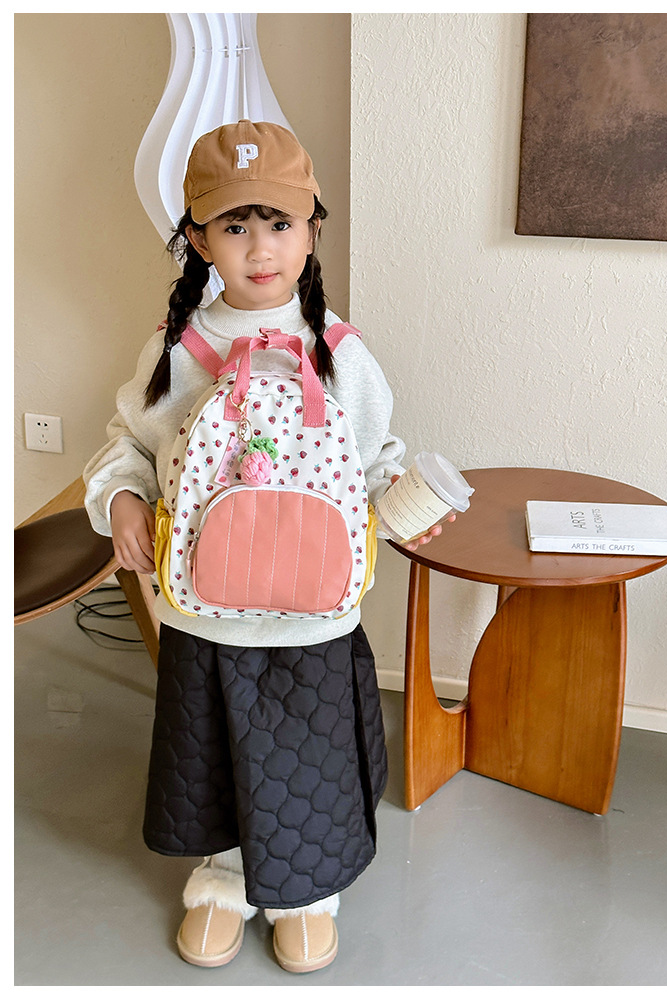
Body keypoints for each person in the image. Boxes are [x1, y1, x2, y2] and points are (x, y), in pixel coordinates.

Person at [83, 120, 446, 974]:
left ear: (312, 229)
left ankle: (306, 894)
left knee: (306, 751)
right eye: (235, 225)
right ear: (198, 237)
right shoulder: (179, 348)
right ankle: (223, 876)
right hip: (204, 610)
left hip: (313, 613)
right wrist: (123, 498)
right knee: (214, 744)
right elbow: (127, 445)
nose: (259, 247)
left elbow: (375, 459)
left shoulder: (341, 352)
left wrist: (405, 504)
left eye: (279, 223)